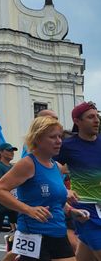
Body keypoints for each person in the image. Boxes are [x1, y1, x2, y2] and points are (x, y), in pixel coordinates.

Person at [0, 115, 88, 261]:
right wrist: (28, 209)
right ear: (38, 139)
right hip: (34, 234)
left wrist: (72, 211)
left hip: (58, 233)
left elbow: (54, 200)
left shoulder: (55, 166)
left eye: (59, 137)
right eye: (52, 137)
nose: (59, 141)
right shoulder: (28, 163)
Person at [55, 101, 101, 261]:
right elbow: (48, 169)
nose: (96, 120)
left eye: (97, 116)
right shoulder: (67, 146)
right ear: (77, 121)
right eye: (90, 117)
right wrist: (63, 190)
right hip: (85, 209)